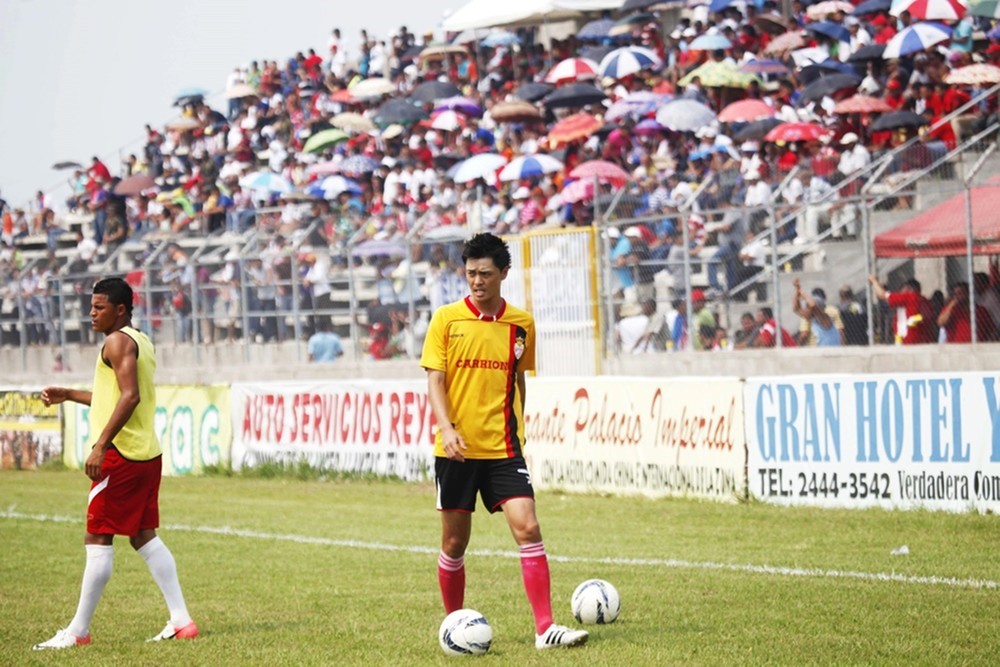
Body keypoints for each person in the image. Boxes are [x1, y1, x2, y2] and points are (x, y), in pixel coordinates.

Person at [419, 233, 587, 651]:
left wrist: (521, 429)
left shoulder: (522, 324)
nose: (477, 281)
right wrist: (448, 428)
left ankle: (545, 629)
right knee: (454, 543)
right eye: (471, 273)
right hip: (456, 450)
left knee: (528, 527)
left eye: (485, 274)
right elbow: (434, 381)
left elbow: (519, 380)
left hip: (504, 448)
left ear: (504, 274)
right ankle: (453, 626)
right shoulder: (446, 319)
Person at [34, 278, 197, 650]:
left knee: (98, 535)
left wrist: (100, 445)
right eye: (91, 306)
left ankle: (77, 631)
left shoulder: (116, 341)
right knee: (142, 535)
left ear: (120, 310)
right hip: (146, 453)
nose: (92, 313)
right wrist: (70, 395)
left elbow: (130, 396)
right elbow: (116, 396)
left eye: (100, 307)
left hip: (121, 455)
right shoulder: (139, 340)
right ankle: (181, 620)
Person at [868, 275, 935, 345]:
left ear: (909, 289)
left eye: (902, 288)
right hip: (924, 340)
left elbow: (882, 295)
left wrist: (874, 281)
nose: (900, 292)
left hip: (908, 340)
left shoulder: (910, 297)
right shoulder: (924, 300)